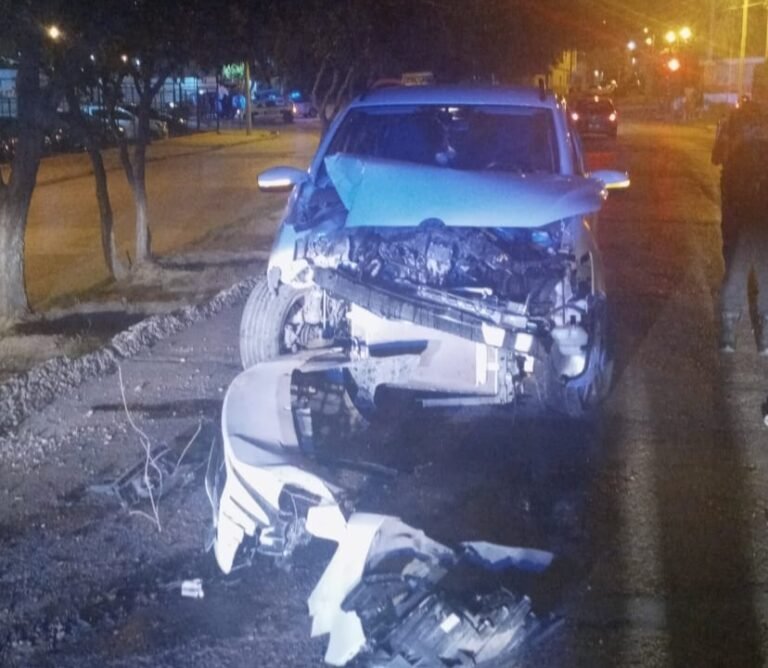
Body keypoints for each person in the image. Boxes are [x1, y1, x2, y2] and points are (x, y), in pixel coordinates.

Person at [711, 96, 768, 353]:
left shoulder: (733, 122)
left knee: (734, 268)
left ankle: (728, 335)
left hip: (735, 208)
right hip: (762, 211)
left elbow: (716, 158)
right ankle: (764, 338)